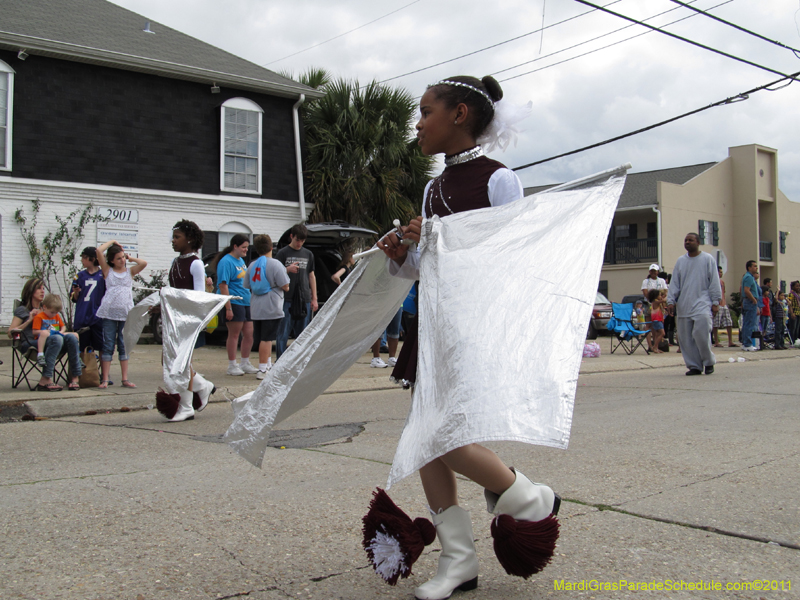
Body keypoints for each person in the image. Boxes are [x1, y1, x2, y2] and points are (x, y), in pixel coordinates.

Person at [376, 75, 560, 599]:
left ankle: (525, 496)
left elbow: (509, 258)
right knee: (425, 441)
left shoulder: (499, 180)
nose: (419, 122)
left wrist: (434, 238)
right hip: (432, 324)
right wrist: (405, 255)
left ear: (458, 115)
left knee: (440, 436)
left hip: (471, 329)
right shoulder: (433, 187)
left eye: (425, 111)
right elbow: (429, 266)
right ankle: (459, 560)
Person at [159, 220, 216, 422]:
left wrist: (194, 322)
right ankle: (202, 386)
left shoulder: (196, 263)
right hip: (173, 319)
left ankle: (186, 407)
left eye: (177, 237)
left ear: (190, 239)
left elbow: (199, 297)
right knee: (173, 361)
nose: (173, 241)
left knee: (181, 364)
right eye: (173, 237)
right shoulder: (176, 262)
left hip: (187, 321)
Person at [9, 278, 82, 391]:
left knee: (72, 337)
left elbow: (58, 325)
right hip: (31, 343)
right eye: (39, 288)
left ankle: (75, 378)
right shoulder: (22, 310)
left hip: (52, 342)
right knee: (56, 339)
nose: (42, 291)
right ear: (30, 291)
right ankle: (45, 379)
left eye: (43, 288)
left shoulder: (47, 308)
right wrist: (29, 320)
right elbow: (10, 333)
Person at [666, 233, 721, 375]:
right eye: (685, 240)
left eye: (690, 240)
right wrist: (671, 301)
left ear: (698, 242)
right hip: (684, 305)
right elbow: (675, 283)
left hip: (702, 303)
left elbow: (714, 281)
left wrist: (716, 301)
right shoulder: (680, 261)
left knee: (701, 334)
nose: (687, 242)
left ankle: (708, 362)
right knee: (685, 339)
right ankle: (694, 366)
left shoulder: (708, 259)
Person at [96, 240, 147, 388]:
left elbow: (143, 263)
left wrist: (131, 258)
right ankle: (105, 379)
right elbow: (99, 251)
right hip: (109, 313)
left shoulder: (129, 272)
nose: (122, 260)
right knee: (108, 344)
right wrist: (112, 242)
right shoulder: (107, 271)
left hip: (125, 313)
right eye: (118, 258)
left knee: (124, 345)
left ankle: (125, 379)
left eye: (123, 257)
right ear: (111, 260)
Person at [244, 234, 290, 379]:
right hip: (271, 306)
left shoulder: (252, 265)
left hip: (256, 307)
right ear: (271, 247)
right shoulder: (275, 264)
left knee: (264, 338)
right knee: (267, 339)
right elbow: (285, 285)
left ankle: (267, 365)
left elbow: (246, 285)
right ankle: (262, 369)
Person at [214, 234, 258, 376]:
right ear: (235, 246)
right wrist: (228, 307)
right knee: (234, 334)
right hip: (234, 301)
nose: (246, 250)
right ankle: (232, 365)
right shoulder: (226, 262)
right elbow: (223, 285)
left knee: (249, 333)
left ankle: (245, 362)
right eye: (243, 247)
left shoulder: (241, 261)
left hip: (246, 301)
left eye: (247, 247)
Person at [274, 223, 318, 359]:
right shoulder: (282, 253)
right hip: (287, 298)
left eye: (302, 241)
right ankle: (280, 359)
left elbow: (311, 275)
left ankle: (299, 360)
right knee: (283, 331)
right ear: (291, 237)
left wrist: (314, 298)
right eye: (297, 240)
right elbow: (275, 274)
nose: (300, 243)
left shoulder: (308, 254)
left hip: (304, 297)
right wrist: (287, 269)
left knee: (303, 333)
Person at [71, 246, 105, 353]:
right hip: (82, 316)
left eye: (84, 257)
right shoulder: (79, 276)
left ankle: (100, 370)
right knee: (83, 348)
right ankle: (84, 369)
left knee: (101, 347)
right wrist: (76, 292)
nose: (82, 260)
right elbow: (74, 298)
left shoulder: (103, 276)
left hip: (97, 317)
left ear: (93, 259)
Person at [712, 266, 737, 348]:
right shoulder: (713, 282)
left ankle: (730, 341)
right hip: (717, 304)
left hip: (723, 304)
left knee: (729, 322)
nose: (721, 273)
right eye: (719, 272)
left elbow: (724, 292)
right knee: (716, 324)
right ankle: (716, 341)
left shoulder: (722, 282)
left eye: (721, 272)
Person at [739, 260, 761, 351]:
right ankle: (747, 344)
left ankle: (745, 343)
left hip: (747, 302)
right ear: (749, 267)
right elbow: (746, 290)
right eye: (754, 266)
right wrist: (754, 300)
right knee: (749, 323)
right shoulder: (749, 277)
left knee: (747, 323)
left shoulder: (749, 277)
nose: (756, 268)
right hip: (750, 302)